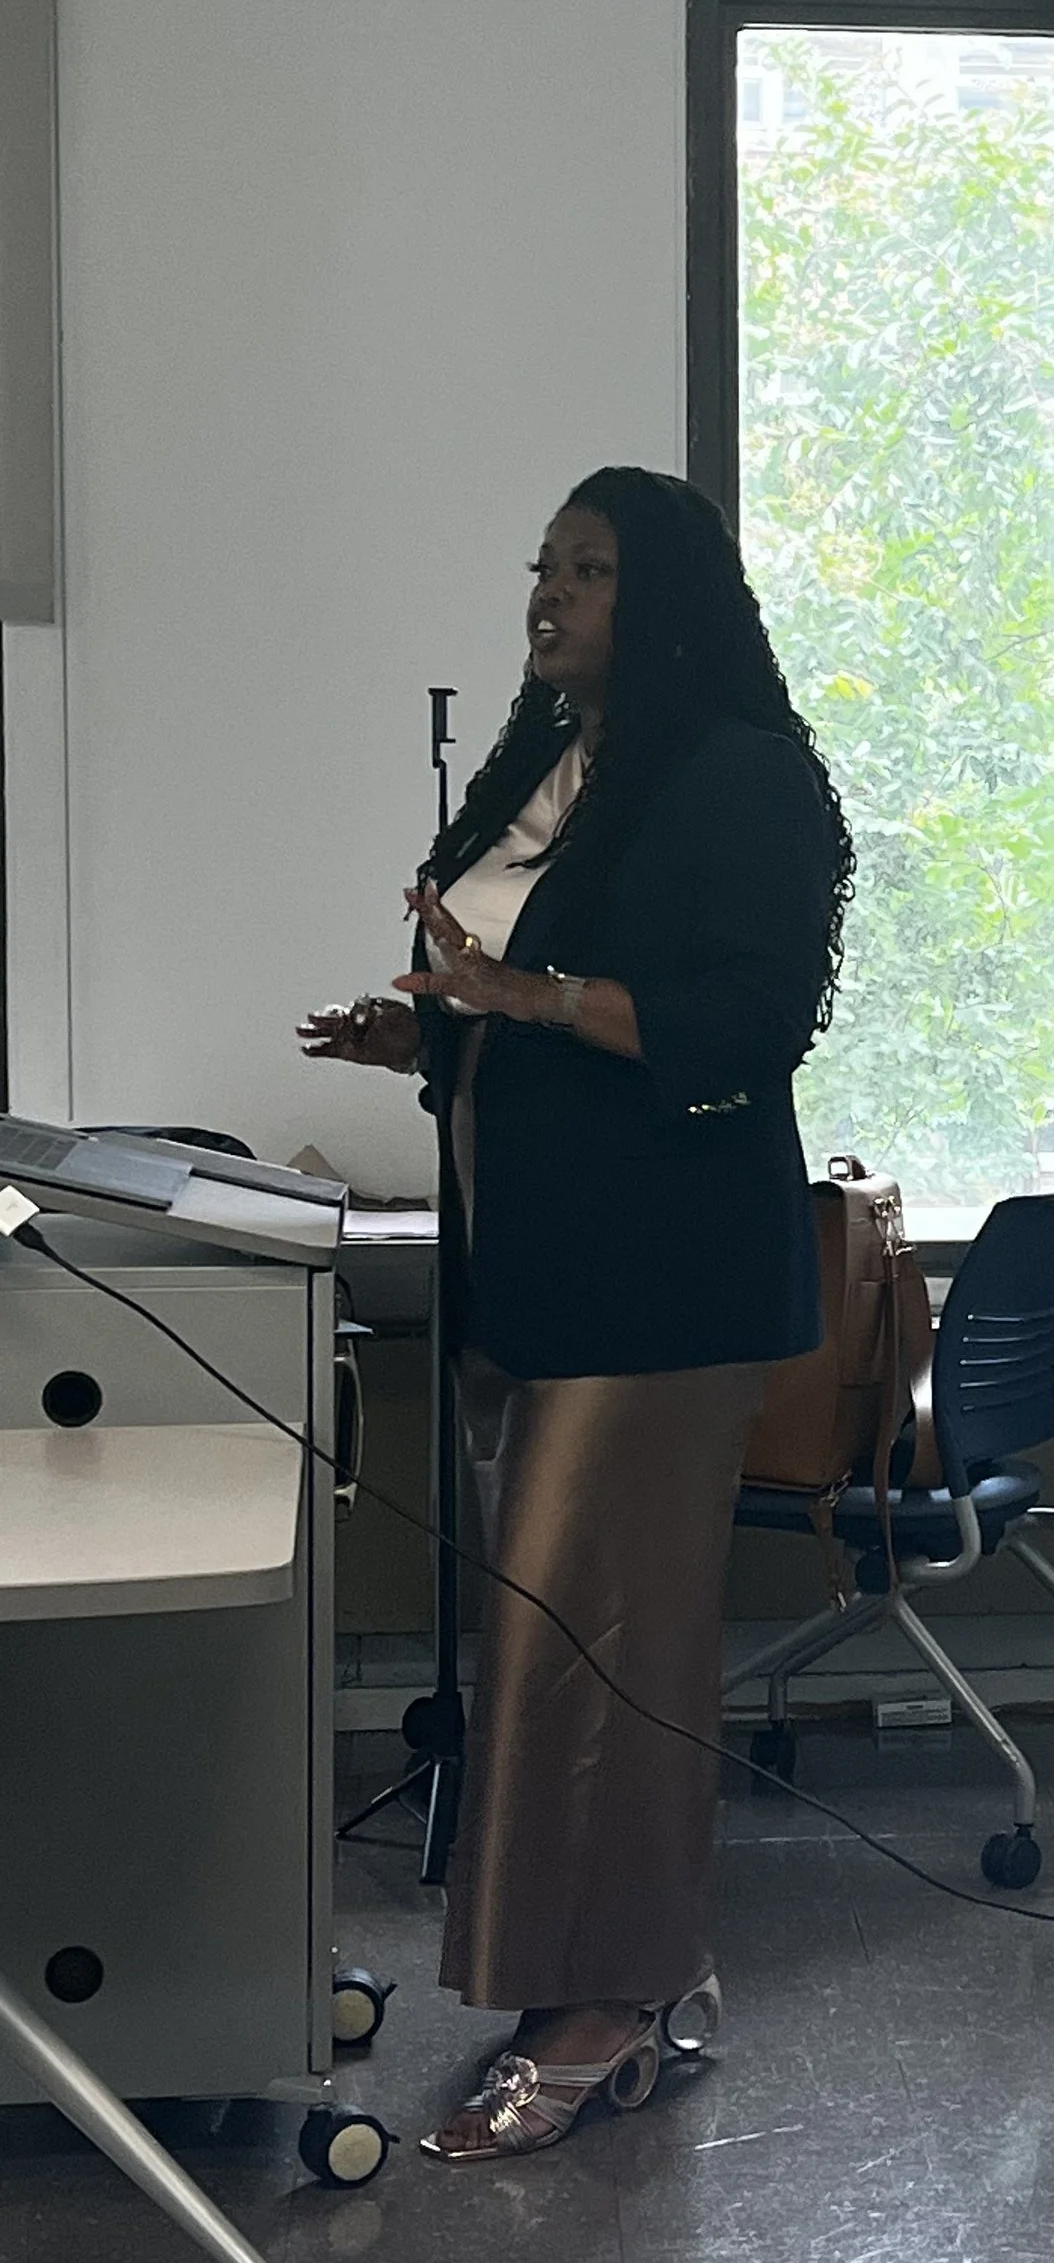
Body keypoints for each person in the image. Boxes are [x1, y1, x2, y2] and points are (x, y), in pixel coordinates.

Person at [301, 466, 852, 2160]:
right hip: (527, 1263)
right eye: (542, 567)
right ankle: (607, 1982)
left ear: (665, 593)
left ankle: (613, 2007)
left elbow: (747, 1028)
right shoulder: (548, 767)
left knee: (596, 1644)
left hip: (660, 1285)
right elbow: (512, 1005)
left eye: (591, 571)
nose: (550, 597)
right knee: (542, 1635)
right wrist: (428, 1036)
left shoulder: (745, 780)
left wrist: (517, 995)